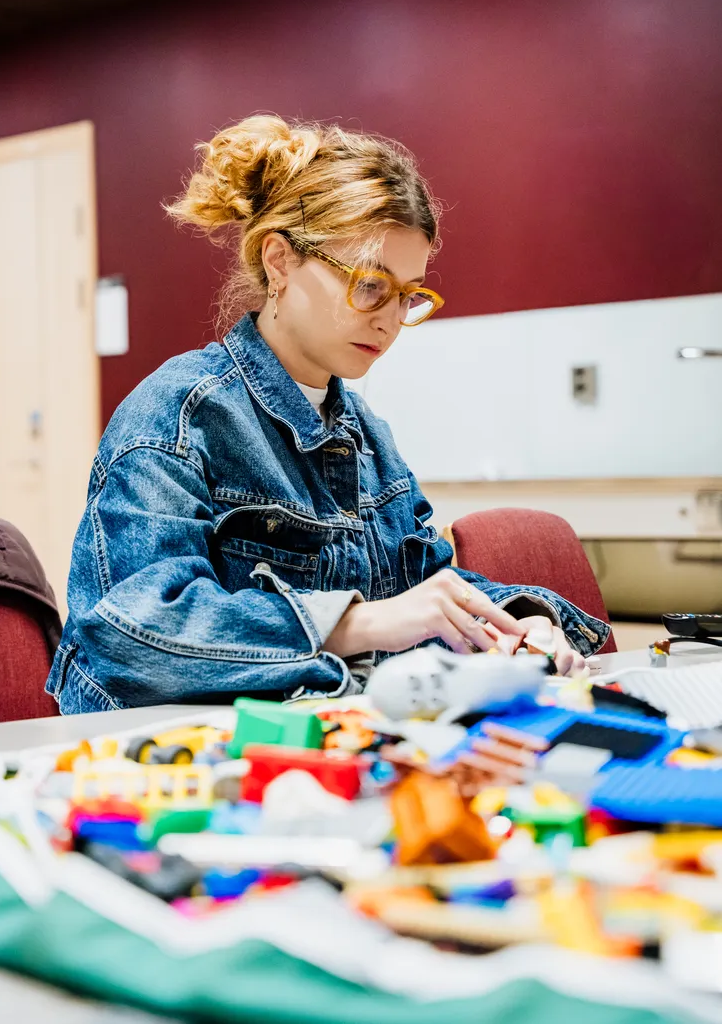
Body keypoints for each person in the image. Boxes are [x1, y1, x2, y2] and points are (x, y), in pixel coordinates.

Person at [47, 116, 610, 715]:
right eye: (369, 285)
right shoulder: (179, 417)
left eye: (409, 295)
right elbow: (133, 632)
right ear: (280, 261)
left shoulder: (365, 434)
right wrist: (355, 625)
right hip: (159, 768)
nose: (390, 320)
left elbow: (424, 588)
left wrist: (519, 623)